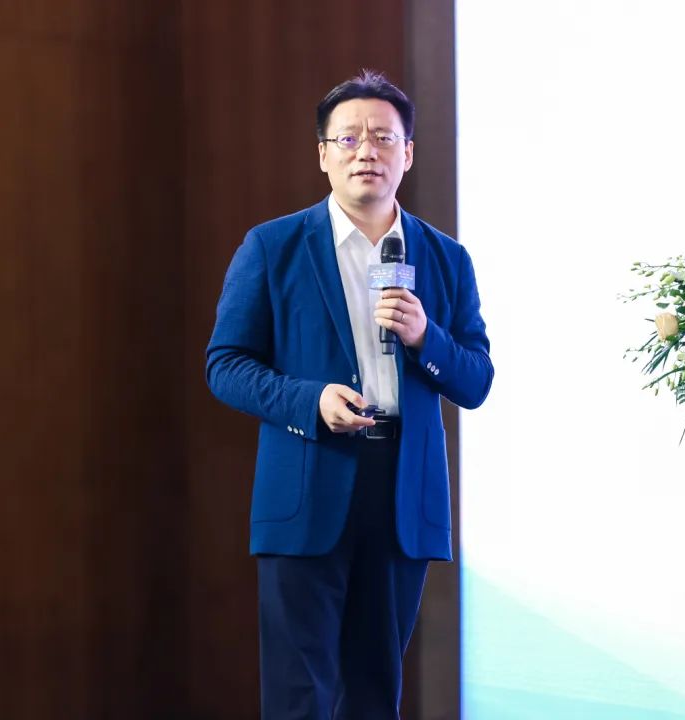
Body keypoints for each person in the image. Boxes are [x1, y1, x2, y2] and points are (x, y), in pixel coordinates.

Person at [206, 70, 493, 719]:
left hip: (402, 496)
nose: (367, 151)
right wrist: (311, 402)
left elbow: (475, 380)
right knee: (300, 694)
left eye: (384, 138)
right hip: (307, 487)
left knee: (374, 691)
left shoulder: (446, 258)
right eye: (349, 138)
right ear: (323, 154)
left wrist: (426, 338)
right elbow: (225, 365)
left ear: (408, 154)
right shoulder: (273, 247)